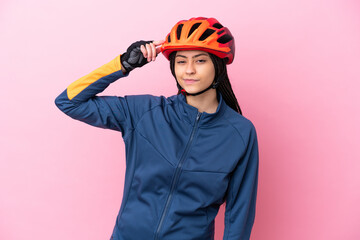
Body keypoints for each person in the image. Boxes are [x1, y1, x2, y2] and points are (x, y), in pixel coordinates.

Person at [55, 17, 259, 240]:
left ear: (218, 66)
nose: (189, 70)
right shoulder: (144, 112)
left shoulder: (240, 132)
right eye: (181, 61)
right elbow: (69, 102)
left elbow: (239, 213)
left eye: (200, 61)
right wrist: (123, 64)